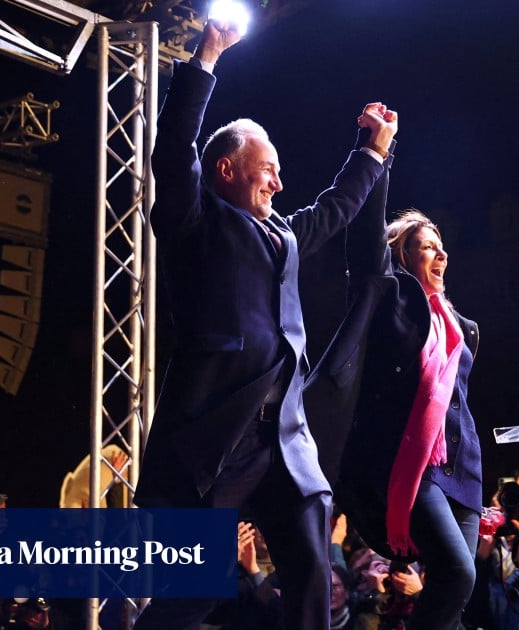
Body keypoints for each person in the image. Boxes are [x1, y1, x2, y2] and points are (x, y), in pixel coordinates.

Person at [130, 14, 397, 630]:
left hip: (284, 437)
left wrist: (372, 151)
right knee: (193, 595)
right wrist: (206, 59)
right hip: (213, 437)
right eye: (267, 166)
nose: (279, 179)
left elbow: (333, 211)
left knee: (311, 573)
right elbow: (172, 153)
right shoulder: (193, 222)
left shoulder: (283, 235)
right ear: (226, 170)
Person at [306, 129, 479, 627]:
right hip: (407, 464)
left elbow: (457, 403)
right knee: (457, 574)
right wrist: (379, 155)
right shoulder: (392, 302)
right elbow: (365, 243)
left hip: (459, 469)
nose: (441, 254)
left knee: (453, 594)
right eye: (427, 247)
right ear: (403, 258)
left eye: (441, 246)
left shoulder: (461, 327)